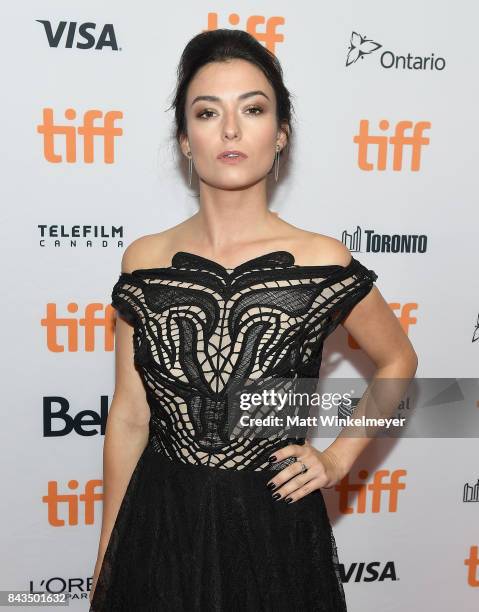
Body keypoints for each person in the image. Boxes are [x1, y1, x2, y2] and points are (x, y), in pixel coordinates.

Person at [89, 28, 417, 611]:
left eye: (254, 109)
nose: (231, 130)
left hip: (274, 524)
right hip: (159, 524)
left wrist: (337, 459)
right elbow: (131, 415)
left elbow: (398, 361)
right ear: (186, 140)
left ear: (281, 133)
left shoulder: (323, 261)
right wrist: (108, 554)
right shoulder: (143, 260)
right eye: (207, 112)